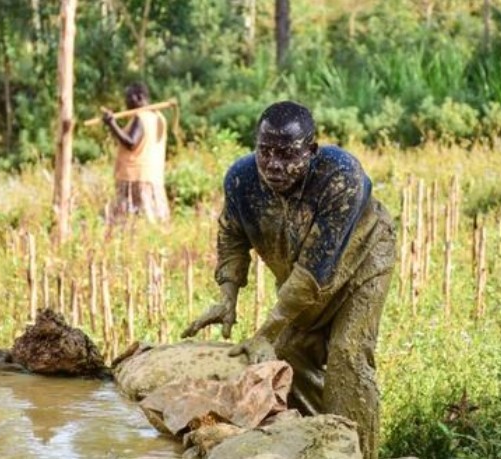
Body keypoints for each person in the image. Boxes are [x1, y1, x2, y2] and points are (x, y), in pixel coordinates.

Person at [181, 101, 396, 459]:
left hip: (362, 261)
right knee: (290, 356)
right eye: (265, 152)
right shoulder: (241, 179)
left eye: (286, 154)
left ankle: (360, 453)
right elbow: (232, 236)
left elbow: (315, 271)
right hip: (298, 271)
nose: (274, 165)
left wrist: (265, 331)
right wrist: (228, 295)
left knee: (347, 354)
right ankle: (319, 447)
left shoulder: (340, 177)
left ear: (311, 151)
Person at [102, 82, 170, 223]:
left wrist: (112, 124)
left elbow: (131, 142)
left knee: (129, 221)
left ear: (139, 98)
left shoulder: (141, 117)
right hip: (153, 177)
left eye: (128, 98)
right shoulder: (159, 117)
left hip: (135, 179)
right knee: (151, 220)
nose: (125, 102)